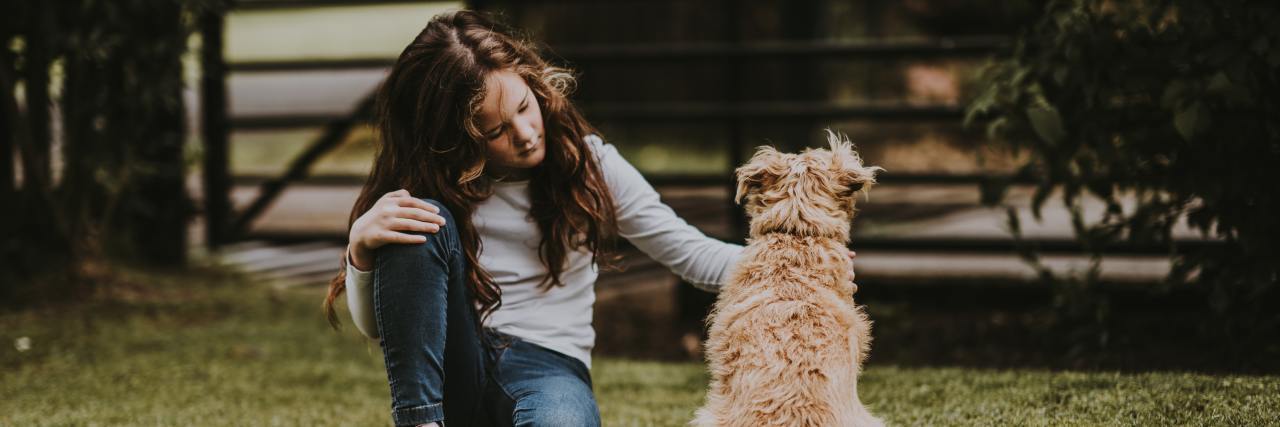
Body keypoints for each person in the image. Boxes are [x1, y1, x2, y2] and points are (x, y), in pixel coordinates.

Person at [323, 10, 856, 427]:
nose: (525, 134)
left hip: (547, 365)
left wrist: (797, 268)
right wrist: (361, 252)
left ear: (534, 83)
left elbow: (690, 252)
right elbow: (384, 331)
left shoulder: (590, 166)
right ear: (453, 139)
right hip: (450, 369)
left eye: (524, 108)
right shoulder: (425, 191)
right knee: (419, 219)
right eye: (495, 131)